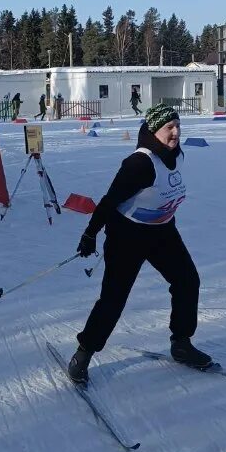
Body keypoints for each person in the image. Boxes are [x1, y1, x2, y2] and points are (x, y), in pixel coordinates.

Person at [67, 102, 211, 384]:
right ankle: (84, 352)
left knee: (187, 281)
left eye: (178, 126)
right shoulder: (139, 163)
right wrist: (90, 233)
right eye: (169, 127)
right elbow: (110, 200)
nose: (176, 132)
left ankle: (181, 343)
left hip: (162, 232)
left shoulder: (176, 155)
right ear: (154, 130)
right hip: (127, 236)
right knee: (114, 298)